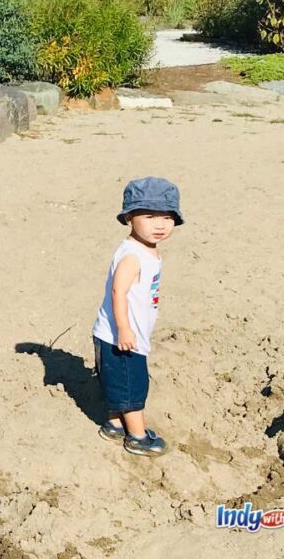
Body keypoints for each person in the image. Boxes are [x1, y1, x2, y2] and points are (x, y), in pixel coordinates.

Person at [92, 177, 184, 457]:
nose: (160, 224)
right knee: (133, 386)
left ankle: (114, 423)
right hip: (122, 336)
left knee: (118, 381)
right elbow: (118, 292)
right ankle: (137, 436)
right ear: (129, 218)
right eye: (149, 216)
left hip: (122, 332)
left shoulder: (146, 250)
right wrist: (124, 329)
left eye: (167, 217)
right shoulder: (132, 256)